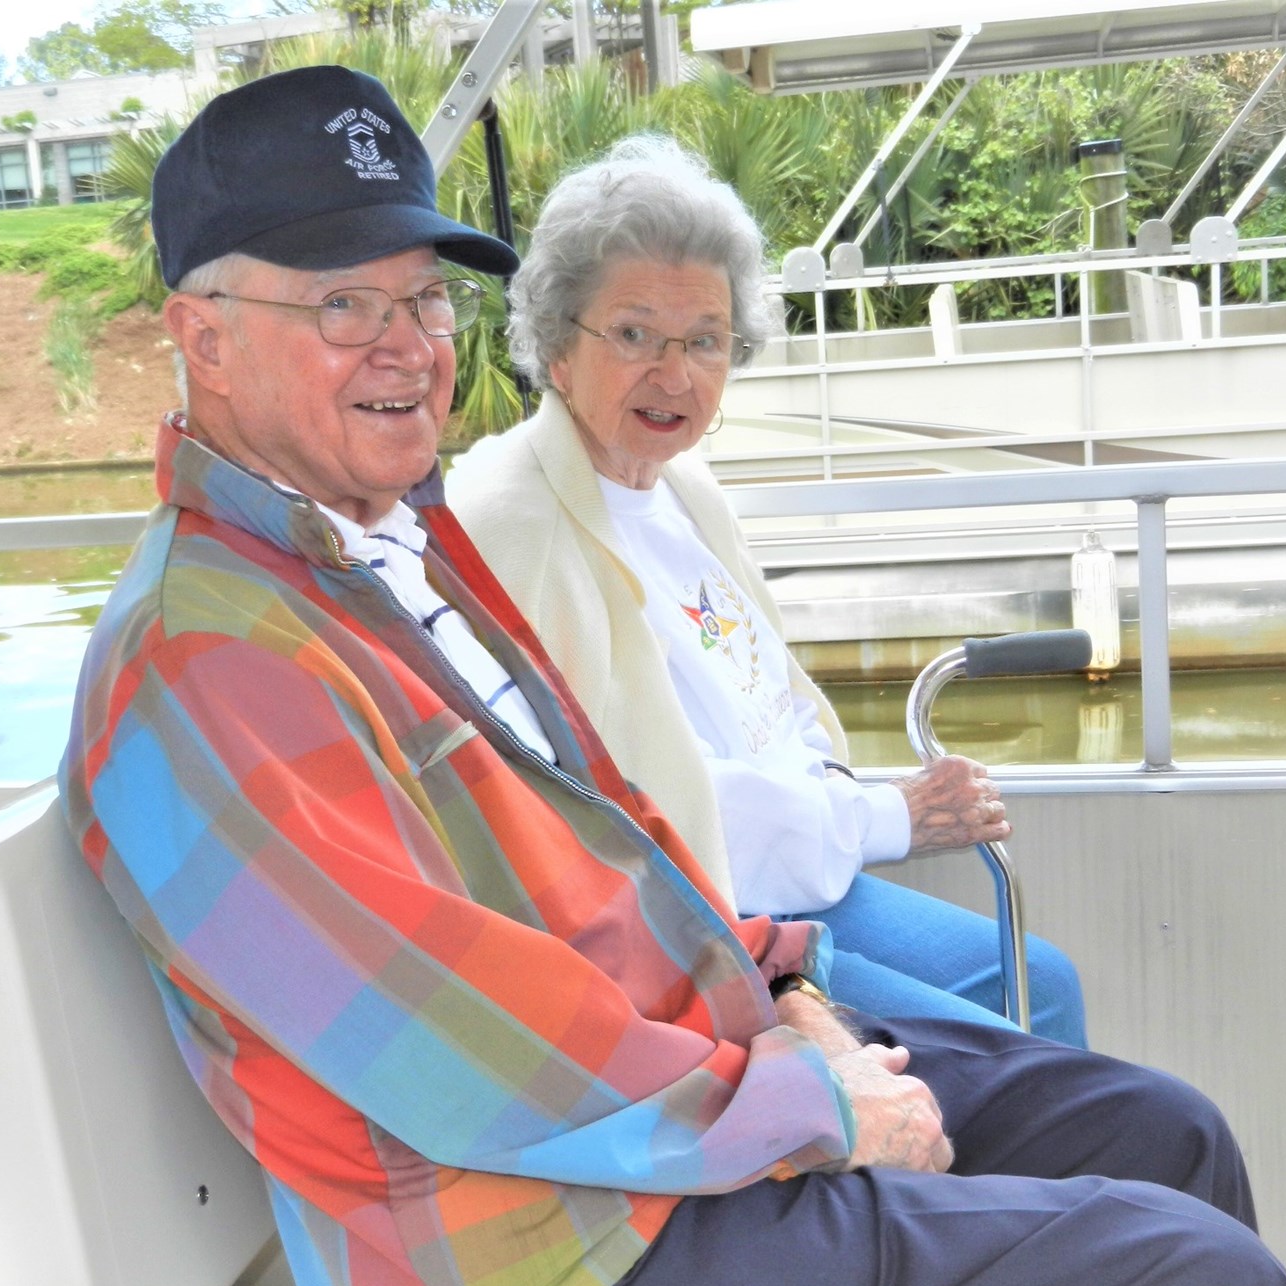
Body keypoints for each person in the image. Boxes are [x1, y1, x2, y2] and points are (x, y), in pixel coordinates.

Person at [59, 64, 1286, 1286]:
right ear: (204, 339)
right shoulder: (204, 661)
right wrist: (815, 1105)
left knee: (1169, 1135)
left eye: (426, 298)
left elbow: (616, 848)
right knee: (1201, 1282)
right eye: (344, 304)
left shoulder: (397, 551)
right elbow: (455, 1048)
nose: (409, 345)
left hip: (676, 1100)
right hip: (554, 1252)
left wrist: (785, 992)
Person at [447, 136, 1088, 1046]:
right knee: (1000, 1046)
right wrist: (887, 814)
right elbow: (625, 806)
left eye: (706, 341)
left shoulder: (685, 491)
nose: (675, 376)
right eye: (633, 335)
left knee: (1042, 983)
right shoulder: (507, 521)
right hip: (694, 928)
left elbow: (779, 702)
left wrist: (847, 807)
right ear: (556, 345)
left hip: (796, 873)